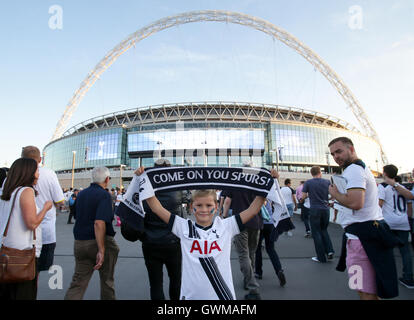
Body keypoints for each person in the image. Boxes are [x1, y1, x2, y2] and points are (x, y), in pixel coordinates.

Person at [136, 165, 267, 300]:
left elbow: (253, 210)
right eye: (199, 205)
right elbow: (157, 208)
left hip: (222, 297)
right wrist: (144, 180)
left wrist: (268, 183)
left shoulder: (227, 226)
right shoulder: (182, 226)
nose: (204, 209)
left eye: (209, 205)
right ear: (192, 207)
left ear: (216, 207)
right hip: (190, 297)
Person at [328, 136, 399, 300]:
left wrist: (335, 194)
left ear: (351, 149)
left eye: (339, 151)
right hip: (369, 235)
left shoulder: (353, 170)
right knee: (370, 288)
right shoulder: (361, 168)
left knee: (363, 289)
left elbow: (355, 202)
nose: (336, 157)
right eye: (332, 154)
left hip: (359, 241)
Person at [0, 158, 52, 300]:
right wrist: (46, 208)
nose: (38, 174)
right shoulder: (26, 191)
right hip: (22, 254)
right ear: (28, 172)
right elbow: (32, 223)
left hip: (6, 252)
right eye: (36, 170)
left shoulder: (7, 192)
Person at [64, 166, 120, 300]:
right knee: (107, 281)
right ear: (107, 179)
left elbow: (77, 215)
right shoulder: (104, 195)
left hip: (80, 242)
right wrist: (101, 249)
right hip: (99, 240)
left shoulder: (81, 194)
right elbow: (99, 223)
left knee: (78, 283)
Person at [141, 158, 186, 300]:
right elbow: (188, 198)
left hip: (149, 241)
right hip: (173, 241)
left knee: (155, 284)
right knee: (176, 281)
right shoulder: (176, 188)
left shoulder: (145, 187)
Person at [222, 162, 263, 300]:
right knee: (251, 252)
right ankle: (248, 279)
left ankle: (251, 283)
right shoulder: (257, 183)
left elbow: (227, 201)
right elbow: (263, 201)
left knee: (243, 254)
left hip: (240, 222)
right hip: (255, 221)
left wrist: (224, 216)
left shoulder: (236, 182)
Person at [21, 146, 65, 273]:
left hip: (15, 237)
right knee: (36, 272)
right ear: (40, 159)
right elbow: (59, 201)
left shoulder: (13, 177)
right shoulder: (49, 174)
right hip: (44, 232)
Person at [379, 165, 414, 289]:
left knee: (385, 250)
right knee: (405, 251)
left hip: (388, 223)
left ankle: (386, 277)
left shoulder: (383, 187)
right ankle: (408, 277)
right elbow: (410, 200)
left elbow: (380, 204)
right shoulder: (402, 187)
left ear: (384, 173)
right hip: (403, 223)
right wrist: (408, 219)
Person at [302, 166, 334, 263]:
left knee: (316, 233)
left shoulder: (308, 182)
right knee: (324, 230)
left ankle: (321, 257)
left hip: (315, 209)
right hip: (325, 209)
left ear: (311, 173)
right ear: (320, 172)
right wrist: (326, 199)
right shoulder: (327, 182)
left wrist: (305, 198)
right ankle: (329, 251)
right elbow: (333, 195)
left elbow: (303, 196)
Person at [254, 200, 286, 287]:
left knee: (258, 248)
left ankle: (258, 272)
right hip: (270, 223)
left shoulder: (257, 194)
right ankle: (278, 269)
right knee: (271, 248)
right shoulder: (270, 194)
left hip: (259, 223)